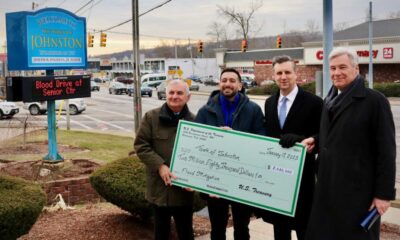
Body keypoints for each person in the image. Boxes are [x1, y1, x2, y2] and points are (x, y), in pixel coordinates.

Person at [303, 47, 396, 240]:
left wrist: (384, 195)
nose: (336, 73)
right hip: (328, 188)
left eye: (342, 67)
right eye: (333, 68)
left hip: (358, 194)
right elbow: (338, 134)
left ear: (356, 68)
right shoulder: (330, 99)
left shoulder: (374, 101)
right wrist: (317, 141)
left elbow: (386, 151)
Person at [195, 68, 265, 240]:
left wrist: (235, 138)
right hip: (215, 178)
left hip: (242, 177)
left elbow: (262, 141)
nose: (227, 83)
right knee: (217, 228)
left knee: (242, 227)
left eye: (232, 80)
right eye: (224, 80)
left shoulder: (253, 110)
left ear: (240, 85)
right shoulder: (205, 111)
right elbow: (196, 145)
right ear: (219, 83)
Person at [258, 55, 323, 240]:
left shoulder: (314, 102)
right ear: (274, 75)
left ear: (296, 74)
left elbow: (324, 134)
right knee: (280, 228)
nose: (283, 76)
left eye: (287, 72)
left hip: (302, 177)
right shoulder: (270, 103)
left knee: (304, 228)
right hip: (276, 178)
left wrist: (307, 139)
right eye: (279, 73)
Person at [134, 79, 195, 240]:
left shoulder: (196, 122)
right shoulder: (151, 118)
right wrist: (160, 165)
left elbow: (203, 156)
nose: (175, 96)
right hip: (159, 190)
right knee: (161, 233)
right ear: (165, 95)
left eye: (180, 93)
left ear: (188, 97)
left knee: (186, 233)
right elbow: (141, 145)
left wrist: (196, 181)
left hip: (184, 192)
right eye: (171, 93)